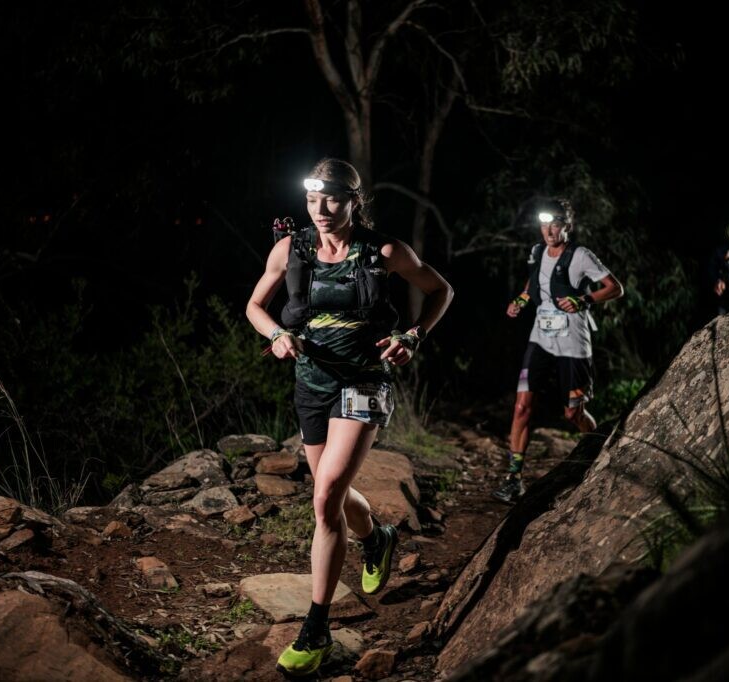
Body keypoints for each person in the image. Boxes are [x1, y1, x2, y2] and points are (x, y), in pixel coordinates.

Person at [246, 158, 453, 676]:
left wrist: (413, 335)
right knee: (331, 492)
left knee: (324, 499)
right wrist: (277, 334)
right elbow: (254, 306)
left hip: (364, 382)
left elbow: (441, 290)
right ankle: (376, 538)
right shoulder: (289, 249)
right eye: (312, 200)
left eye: (332, 199)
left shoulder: (384, 251)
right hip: (311, 385)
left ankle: (316, 628)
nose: (320, 209)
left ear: (354, 201)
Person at [494, 197, 624, 504]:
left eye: (555, 224)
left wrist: (584, 300)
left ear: (567, 226)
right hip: (541, 336)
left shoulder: (581, 256)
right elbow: (535, 280)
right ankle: (513, 478)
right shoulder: (537, 251)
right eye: (544, 224)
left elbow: (615, 287)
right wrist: (522, 299)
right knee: (521, 406)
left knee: (572, 412)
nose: (549, 230)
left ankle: (598, 454)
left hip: (573, 339)